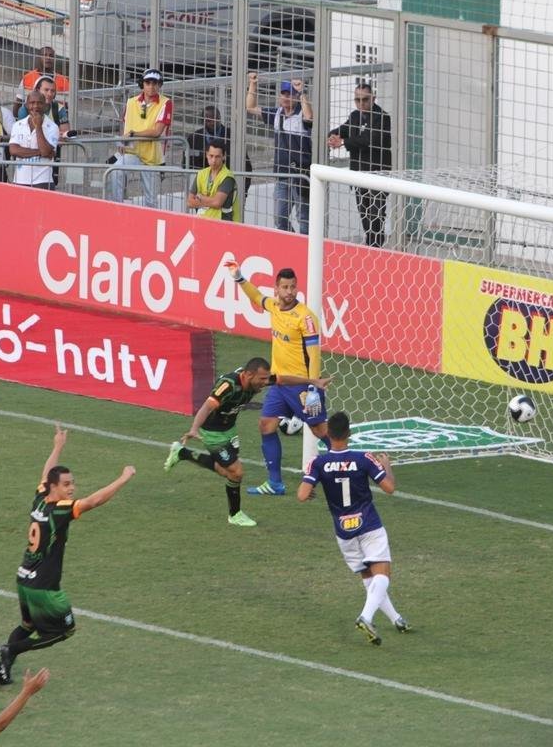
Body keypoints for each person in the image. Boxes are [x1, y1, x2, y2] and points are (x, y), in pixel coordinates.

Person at [0, 424, 136, 686]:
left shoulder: (40, 499)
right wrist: (123, 478)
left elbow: (45, 475)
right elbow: (93, 502)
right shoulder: (59, 510)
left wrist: (57, 446)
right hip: (44, 587)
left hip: (24, 578)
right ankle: (11, 650)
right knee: (65, 630)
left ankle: (1, 673)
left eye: (73, 483)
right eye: (66, 484)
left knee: (27, 627)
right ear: (55, 487)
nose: (72, 488)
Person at [164, 357, 330, 526]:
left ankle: (182, 453)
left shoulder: (257, 379)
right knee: (236, 472)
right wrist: (194, 429)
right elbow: (207, 407)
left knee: (226, 471)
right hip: (212, 432)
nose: (265, 383)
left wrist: (312, 381)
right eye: (262, 379)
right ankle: (234, 514)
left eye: (267, 379)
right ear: (249, 375)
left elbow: (282, 379)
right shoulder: (228, 385)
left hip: (229, 429)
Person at [298, 411, 410, 645]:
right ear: (349, 434)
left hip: (343, 530)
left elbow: (302, 495)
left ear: (328, 433)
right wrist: (387, 466)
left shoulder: (317, 463)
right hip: (368, 524)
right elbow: (389, 488)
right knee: (383, 574)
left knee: (368, 576)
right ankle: (366, 617)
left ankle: (396, 618)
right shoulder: (364, 458)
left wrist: (312, 490)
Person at [224, 260, 326, 496]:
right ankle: (275, 483)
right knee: (266, 425)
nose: (290, 292)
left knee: (321, 431)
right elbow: (256, 296)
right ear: (277, 289)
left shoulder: (306, 318)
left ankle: (349, 469)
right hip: (279, 384)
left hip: (302, 386)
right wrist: (239, 277)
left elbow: (314, 353)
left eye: (293, 287)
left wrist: (313, 387)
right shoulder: (273, 306)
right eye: (285, 287)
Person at [245, 72, 313, 234]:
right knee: (279, 218)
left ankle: (304, 250)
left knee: (304, 218)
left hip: (300, 176)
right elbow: (250, 107)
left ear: (296, 97)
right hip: (282, 175)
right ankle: (292, 243)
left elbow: (309, 117)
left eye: (290, 94)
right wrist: (253, 84)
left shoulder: (301, 115)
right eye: (283, 94)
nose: (286, 97)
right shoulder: (276, 114)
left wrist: (302, 92)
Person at [327, 83, 392, 247]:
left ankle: (376, 247)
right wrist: (334, 135)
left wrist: (343, 141)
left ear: (373, 99)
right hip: (358, 173)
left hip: (377, 174)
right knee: (364, 214)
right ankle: (370, 246)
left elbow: (368, 140)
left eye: (365, 100)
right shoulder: (355, 116)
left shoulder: (382, 117)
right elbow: (344, 128)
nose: (361, 104)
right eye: (358, 100)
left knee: (376, 215)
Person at [109, 67, 172, 207]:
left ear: (160, 85)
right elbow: (125, 124)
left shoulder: (166, 103)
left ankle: (150, 226)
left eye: (155, 83)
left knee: (151, 200)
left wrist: (133, 134)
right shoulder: (131, 102)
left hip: (153, 158)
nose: (151, 86)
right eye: (148, 82)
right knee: (116, 171)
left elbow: (157, 131)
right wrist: (123, 143)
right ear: (142, 84)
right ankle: (116, 210)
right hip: (133, 152)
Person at [187, 105, 252, 198]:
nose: (213, 123)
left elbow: (246, 166)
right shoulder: (193, 138)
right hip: (203, 192)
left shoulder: (233, 136)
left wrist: (242, 192)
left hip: (229, 191)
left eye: (215, 119)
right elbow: (187, 166)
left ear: (220, 118)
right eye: (209, 120)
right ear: (203, 121)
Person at [8, 90, 59, 189]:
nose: (35, 106)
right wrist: (42, 152)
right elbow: (13, 150)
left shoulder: (53, 127)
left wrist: (38, 126)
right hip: (19, 181)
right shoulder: (17, 125)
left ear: (45, 106)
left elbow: (45, 151)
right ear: (27, 105)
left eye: (39, 103)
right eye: (32, 103)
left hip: (43, 182)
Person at [186, 141, 240, 221]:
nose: (214, 160)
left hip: (223, 224)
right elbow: (189, 202)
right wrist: (210, 201)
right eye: (211, 156)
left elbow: (217, 203)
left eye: (217, 157)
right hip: (203, 221)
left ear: (224, 157)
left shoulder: (227, 177)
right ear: (206, 155)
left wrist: (200, 197)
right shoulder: (201, 174)